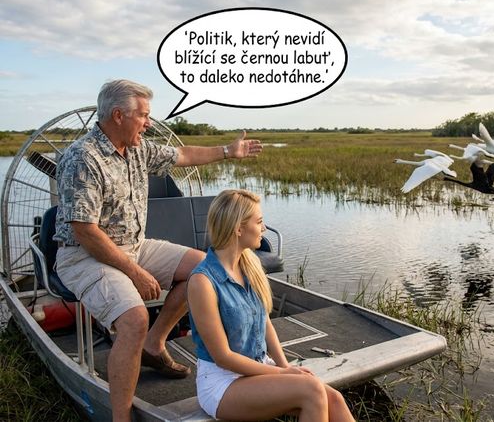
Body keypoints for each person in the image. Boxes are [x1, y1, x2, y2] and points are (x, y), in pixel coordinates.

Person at [53, 79, 262, 422]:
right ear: (118, 115)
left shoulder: (137, 148)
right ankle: (121, 417)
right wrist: (135, 272)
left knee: (205, 270)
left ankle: (154, 344)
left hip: (134, 247)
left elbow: (182, 155)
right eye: (144, 115)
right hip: (84, 254)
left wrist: (228, 151)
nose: (149, 123)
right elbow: (84, 230)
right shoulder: (83, 158)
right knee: (134, 319)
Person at [187, 189, 355, 421]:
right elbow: (223, 357)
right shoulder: (202, 282)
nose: (264, 228)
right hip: (223, 382)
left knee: (333, 398)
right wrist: (282, 373)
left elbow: (265, 324)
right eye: (259, 222)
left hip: (258, 367)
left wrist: (285, 367)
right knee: (312, 390)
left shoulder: (250, 265)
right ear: (238, 229)